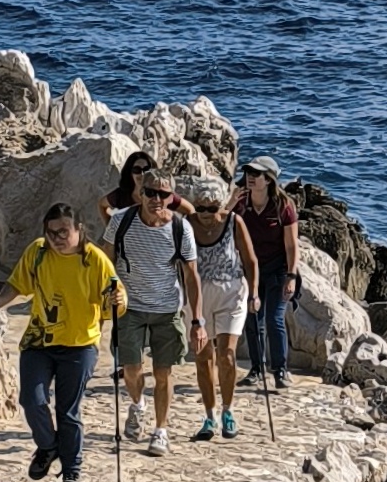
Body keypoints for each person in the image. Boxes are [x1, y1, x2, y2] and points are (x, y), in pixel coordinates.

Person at [6, 199, 117, 482]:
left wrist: (116, 300)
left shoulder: (95, 260)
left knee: (68, 411)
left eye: (63, 231)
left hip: (80, 345)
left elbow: (115, 300)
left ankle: (72, 471)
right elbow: (17, 285)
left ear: (79, 229)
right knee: (32, 400)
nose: (57, 238)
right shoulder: (38, 252)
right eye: (51, 232)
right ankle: (48, 445)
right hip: (39, 341)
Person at [108, 164, 199, 456]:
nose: (156, 199)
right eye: (150, 192)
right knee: (131, 369)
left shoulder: (181, 228)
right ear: (140, 193)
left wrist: (197, 320)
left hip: (166, 309)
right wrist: (107, 292)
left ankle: (160, 430)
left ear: (171, 197)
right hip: (129, 307)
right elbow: (104, 261)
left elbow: (192, 276)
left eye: (163, 194)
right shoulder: (121, 221)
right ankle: (138, 404)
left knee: (163, 373)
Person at [183, 178, 257, 439]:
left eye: (212, 208)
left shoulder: (234, 222)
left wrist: (254, 294)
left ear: (221, 206)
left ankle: (228, 410)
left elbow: (250, 260)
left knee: (226, 354)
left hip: (232, 292)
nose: (205, 214)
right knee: (204, 357)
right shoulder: (186, 224)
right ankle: (209, 415)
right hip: (198, 296)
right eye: (200, 208)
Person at [236, 157, 300, 384]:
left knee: (274, 319)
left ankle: (280, 370)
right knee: (253, 319)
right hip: (250, 270)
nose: (250, 177)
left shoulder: (283, 206)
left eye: (257, 174)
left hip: (278, 271)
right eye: (248, 172)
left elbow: (291, 246)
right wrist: (230, 202)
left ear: (269, 179)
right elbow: (220, 223)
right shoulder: (241, 203)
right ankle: (256, 369)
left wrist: (291, 276)